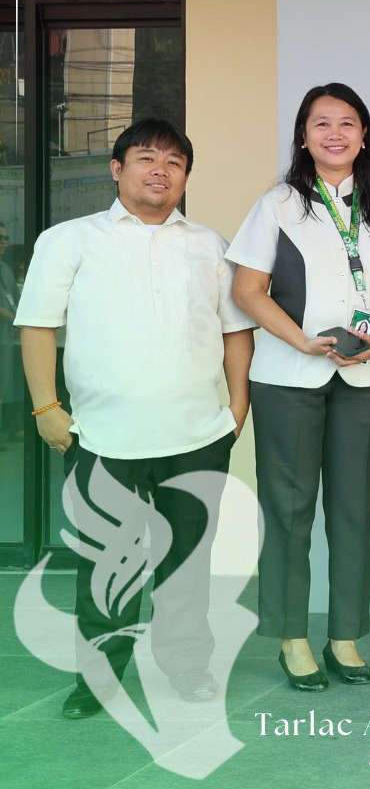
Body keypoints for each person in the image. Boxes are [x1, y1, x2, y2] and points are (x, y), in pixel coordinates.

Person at [17, 119, 256, 719]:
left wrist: (237, 406)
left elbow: (235, 331)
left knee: (187, 563)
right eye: (147, 158)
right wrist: (46, 408)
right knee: (107, 565)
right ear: (117, 168)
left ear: (185, 178)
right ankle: (99, 679)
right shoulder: (68, 240)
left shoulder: (211, 245)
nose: (161, 171)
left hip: (197, 434)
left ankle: (187, 665)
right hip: (103, 436)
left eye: (174, 162)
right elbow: (37, 325)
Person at [229, 84, 370, 691]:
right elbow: (247, 291)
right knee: (288, 509)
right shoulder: (277, 205)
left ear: (364, 135)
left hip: (366, 376)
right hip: (289, 376)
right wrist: (301, 341)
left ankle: (345, 636)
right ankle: (292, 638)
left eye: (347, 123)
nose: (334, 133)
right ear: (304, 136)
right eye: (321, 123)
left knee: (353, 507)